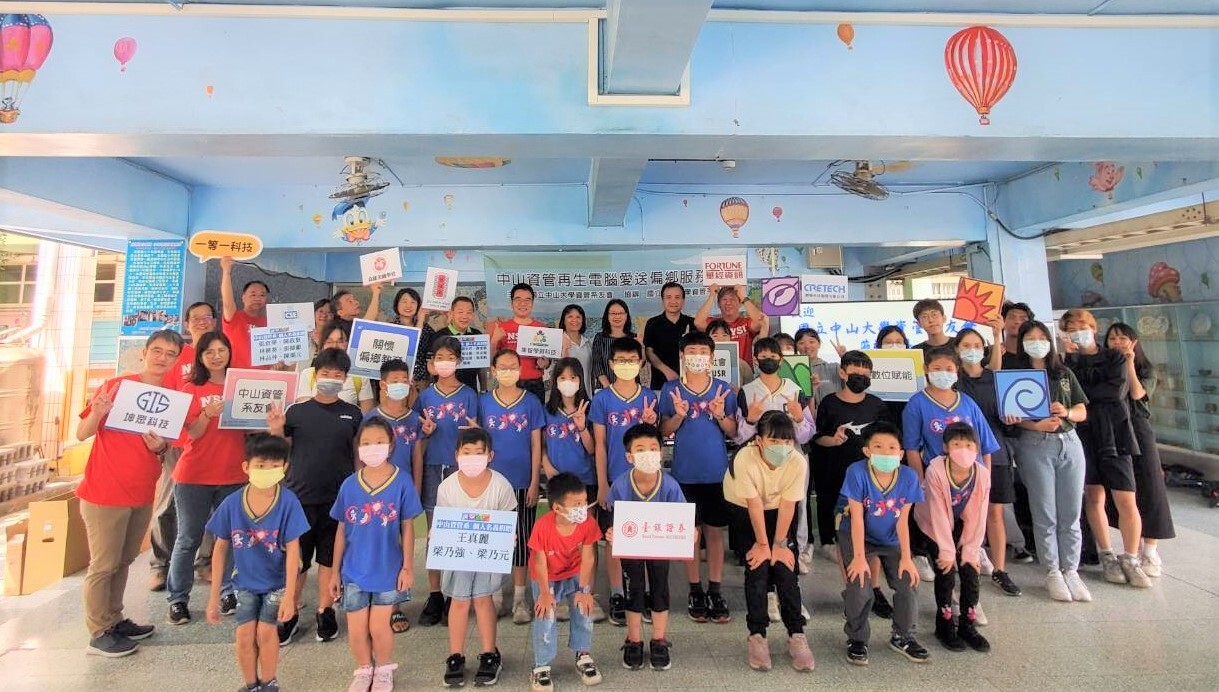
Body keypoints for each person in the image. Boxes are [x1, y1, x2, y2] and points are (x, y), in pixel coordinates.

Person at [76, 329, 184, 657]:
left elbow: (166, 448)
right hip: (104, 491)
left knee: (123, 560)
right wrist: (97, 412)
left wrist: (161, 446)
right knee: (104, 564)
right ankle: (98, 632)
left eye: (170, 354)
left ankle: (115, 618)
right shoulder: (117, 387)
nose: (162, 358)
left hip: (140, 493)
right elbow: (82, 433)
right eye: (157, 351)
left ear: (177, 360)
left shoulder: (171, 398)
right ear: (145, 352)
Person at [266, 347, 363, 644]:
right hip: (299, 498)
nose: (331, 379)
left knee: (329, 559)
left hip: (337, 501)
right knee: (297, 561)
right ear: (314, 376)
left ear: (345, 379)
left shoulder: (352, 413)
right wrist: (275, 429)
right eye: (325, 374)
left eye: (337, 375)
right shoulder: (296, 411)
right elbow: (281, 447)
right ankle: (290, 613)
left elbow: (357, 454)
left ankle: (326, 610)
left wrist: (357, 491)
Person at [204, 433, 308, 692]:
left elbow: (294, 550)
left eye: (274, 466)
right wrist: (214, 595)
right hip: (245, 583)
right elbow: (219, 550)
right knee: (243, 635)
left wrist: (290, 596)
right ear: (246, 467)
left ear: (284, 468)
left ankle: (269, 682)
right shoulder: (231, 504)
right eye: (260, 465)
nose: (267, 471)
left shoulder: (288, 502)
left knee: (265, 632)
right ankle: (251, 685)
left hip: (277, 583)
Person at [329, 418, 423, 692]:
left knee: (379, 627)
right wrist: (334, 571)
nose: (373, 448)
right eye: (366, 443)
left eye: (379, 442)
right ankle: (363, 669)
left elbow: (407, 528)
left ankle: (383, 669)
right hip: (353, 570)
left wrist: (407, 567)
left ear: (392, 444)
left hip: (388, 570)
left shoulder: (402, 482)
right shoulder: (349, 485)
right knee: (357, 629)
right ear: (358, 447)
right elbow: (341, 529)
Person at [1060, 309, 1151, 588]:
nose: (1078, 331)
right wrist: (1071, 362)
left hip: (1116, 432)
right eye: (1072, 328)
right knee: (1094, 496)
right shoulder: (1068, 363)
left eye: (1082, 326)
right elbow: (1067, 394)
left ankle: (1132, 556)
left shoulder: (1115, 357)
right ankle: (1107, 553)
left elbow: (1115, 392)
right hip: (1085, 434)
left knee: (1126, 497)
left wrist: (1083, 397)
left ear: (1093, 327)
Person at [724, 411, 815, 673]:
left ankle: (797, 635)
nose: (782, 447)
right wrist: (764, 546)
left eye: (787, 442)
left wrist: (780, 545)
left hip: (779, 510)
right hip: (742, 506)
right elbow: (753, 505)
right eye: (774, 441)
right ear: (759, 440)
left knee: (786, 568)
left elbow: (788, 506)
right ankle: (757, 636)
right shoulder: (745, 458)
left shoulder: (797, 462)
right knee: (758, 567)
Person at [166, 332, 247, 625]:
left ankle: (228, 592)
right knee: (188, 539)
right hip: (194, 475)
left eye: (221, 349)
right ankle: (177, 599)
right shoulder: (190, 389)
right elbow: (193, 433)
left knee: (229, 538)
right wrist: (206, 415)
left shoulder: (241, 387)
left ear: (229, 352)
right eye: (209, 351)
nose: (216, 355)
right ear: (200, 357)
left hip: (234, 473)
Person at [1008, 321, 1092, 603]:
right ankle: (1053, 571)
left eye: (1041, 337)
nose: (1036, 342)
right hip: (1034, 446)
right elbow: (1012, 417)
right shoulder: (1014, 375)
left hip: (1069, 443)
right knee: (1045, 512)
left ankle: (1072, 570)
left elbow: (1081, 409)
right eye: (1029, 338)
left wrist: (1066, 411)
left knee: (1071, 511)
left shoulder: (1063, 372)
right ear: (1021, 343)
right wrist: (1037, 425)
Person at [659, 331, 739, 625]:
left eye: (702, 352)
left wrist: (720, 414)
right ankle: (695, 589)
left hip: (717, 472)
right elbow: (663, 431)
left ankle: (715, 589)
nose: (696, 357)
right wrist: (678, 415)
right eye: (690, 351)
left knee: (715, 532)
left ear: (712, 357)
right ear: (682, 356)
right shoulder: (670, 390)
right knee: (689, 534)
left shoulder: (724, 390)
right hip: (684, 473)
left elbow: (733, 432)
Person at [811, 350, 895, 618]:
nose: (859, 377)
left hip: (872, 482)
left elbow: (887, 443)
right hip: (836, 479)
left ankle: (875, 587)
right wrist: (833, 441)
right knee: (845, 538)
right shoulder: (829, 404)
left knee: (871, 535)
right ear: (842, 373)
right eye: (854, 372)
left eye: (865, 373)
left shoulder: (878, 405)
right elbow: (817, 437)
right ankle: (853, 587)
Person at [734, 337, 814, 616]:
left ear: (781, 359)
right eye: (762, 354)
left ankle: (790, 591)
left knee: (792, 518)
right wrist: (752, 420)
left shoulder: (794, 389)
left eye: (772, 353)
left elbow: (806, 435)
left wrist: (799, 417)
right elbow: (739, 436)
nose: (767, 358)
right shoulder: (746, 391)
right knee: (761, 521)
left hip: (790, 464)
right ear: (755, 359)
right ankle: (768, 593)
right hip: (757, 466)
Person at [836, 421, 927, 666]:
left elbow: (903, 521)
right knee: (860, 584)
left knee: (907, 582)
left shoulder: (908, 477)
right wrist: (857, 557)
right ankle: (857, 639)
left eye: (891, 447)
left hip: (891, 536)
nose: (885, 452)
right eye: (878, 446)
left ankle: (903, 636)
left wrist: (907, 558)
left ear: (900, 453)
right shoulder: (856, 472)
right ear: (867, 451)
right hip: (857, 536)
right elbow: (856, 518)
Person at [589, 337, 660, 625]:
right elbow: (600, 445)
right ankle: (618, 593)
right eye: (621, 361)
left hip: (646, 484)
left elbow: (655, 443)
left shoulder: (650, 397)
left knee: (643, 539)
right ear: (611, 364)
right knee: (615, 540)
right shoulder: (602, 398)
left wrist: (650, 421)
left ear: (641, 363)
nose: (626, 365)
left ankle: (640, 593)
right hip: (614, 482)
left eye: (632, 360)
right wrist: (603, 483)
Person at [439, 428, 517, 687]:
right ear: (456, 455)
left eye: (479, 452)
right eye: (466, 452)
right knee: (459, 603)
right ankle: (455, 655)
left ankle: (489, 653)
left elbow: (509, 519)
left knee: (484, 601)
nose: (472, 457)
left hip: (486, 556)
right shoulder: (447, 487)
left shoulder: (501, 485)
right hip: (458, 556)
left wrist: (510, 536)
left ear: (490, 455)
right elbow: (443, 523)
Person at [604, 423, 685, 671]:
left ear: (661, 453)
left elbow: (682, 517)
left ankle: (659, 640)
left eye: (653, 448)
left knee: (660, 589)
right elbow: (611, 514)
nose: (648, 454)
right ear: (629, 456)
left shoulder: (670, 485)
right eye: (640, 449)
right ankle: (634, 640)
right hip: (631, 550)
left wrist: (689, 532)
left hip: (659, 550)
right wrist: (610, 531)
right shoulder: (620, 485)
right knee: (634, 590)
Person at [412, 336, 481, 626]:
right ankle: (436, 593)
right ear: (432, 363)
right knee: (434, 532)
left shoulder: (469, 395)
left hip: (461, 469)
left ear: (458, 362)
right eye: (439, 357)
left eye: (449, 357)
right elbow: (415, 438)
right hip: (432, 468)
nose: (444, 362)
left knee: (459, 530)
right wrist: (425, 432)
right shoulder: (425, 397)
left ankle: (457, 591)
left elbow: (476, 436)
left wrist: (476, 430)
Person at [152, 300, 219, 593]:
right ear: (187, 323)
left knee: (208, 507)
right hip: (176, 442)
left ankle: (205, 562)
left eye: (207, 317)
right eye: (196, 318)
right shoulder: (176, 356)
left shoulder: (217, 357)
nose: (202, 322)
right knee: (167, 504)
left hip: (209, 442)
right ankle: (159, 564)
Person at [911, 423, 992, 654]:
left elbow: (979, 514)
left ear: (976, 448)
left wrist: (971, 551)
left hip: (963, 523)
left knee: (970, 570)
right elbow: (937, 513)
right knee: (945, 570)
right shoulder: (935, 470)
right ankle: (944, 622)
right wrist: (947, 552)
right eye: (957, 444)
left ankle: (967, 623)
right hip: (933, 524)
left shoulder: (982, 474)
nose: (963, 449)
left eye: (968, 445)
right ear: (945, 447)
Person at [954, 326, 1023, 597]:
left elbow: (1010, 422)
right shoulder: (954, 381)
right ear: (957, 349)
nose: (972, 349)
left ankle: (999, 569)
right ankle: (968, 561)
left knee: (995, 512)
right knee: (964, 514)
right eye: (966, 345)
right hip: (960, 458)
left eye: (976, 345)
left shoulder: (996, 379)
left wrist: (1012, 421)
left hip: (996, 454)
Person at [481, 349, 546, 625]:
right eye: (502, 367)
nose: (508, 371)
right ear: (493, 371)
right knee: (494, 540)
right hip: (491, 484)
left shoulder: (531, 402)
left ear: (521, 370)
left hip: (522, 482)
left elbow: (536, 444)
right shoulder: (483, 403)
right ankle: (495, 596)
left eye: (513, 366)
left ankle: (520, 598)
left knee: (521, 541)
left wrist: (534, 481)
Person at [1104, 322, 1174, 575]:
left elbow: (1136, 394)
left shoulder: (1146, 368)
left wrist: (1129, 363)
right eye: (1112, 339)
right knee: (1124, 489)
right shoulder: (1104, 368)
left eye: (1123, 338)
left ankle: (1151, 549)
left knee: (1150, 485)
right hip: (1113, 427)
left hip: (1138, 428)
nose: (1117, 342)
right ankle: (1129, 547)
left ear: (1133, 341)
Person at [364, 358, 427, 634]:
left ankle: (396, 605)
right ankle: (373, 596)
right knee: (377, 546)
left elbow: (417, 457)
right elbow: (360, 457)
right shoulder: (370, 419)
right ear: (383, 384)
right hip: (374, 493)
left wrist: (415, 490)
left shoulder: (414, 419)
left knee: (403, 547)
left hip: (402, 493)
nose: (400, 385)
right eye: (395, 380)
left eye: (405, 380)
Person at [527, 472, 604, 691]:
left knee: (583, 609)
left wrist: (585, 589)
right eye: (577, 504)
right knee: (545, 616)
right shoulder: (543, 527)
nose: (583, 508)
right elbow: (539, 563)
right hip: (547, 578)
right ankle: (541, 665)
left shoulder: (587, 522)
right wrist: (544, 593)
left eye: (585, 502)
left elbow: (589, 557)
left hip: (575, 573)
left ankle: (583, 654)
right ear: (557, 508)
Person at [490, 283, 550, 402]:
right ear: (511, 303)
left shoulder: (542, 329)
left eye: (527, 300)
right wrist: (494, 341)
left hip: (535, 384)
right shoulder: (501, 328)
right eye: (518, 299)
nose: (523, 303)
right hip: (508, 384)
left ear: (532, 303)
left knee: (536, 419)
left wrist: (545, 363)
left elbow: (547, 361)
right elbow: (491, 360)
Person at [297, 321, 375, 413]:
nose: (334, 346)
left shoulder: (360, 376)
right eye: (329, 341)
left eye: (340, 341)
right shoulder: (308, 374)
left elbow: (366, 414)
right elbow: (304, 411)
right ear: (322, 345)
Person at [415, 296, 485, 393]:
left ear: (473, 315)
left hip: (470, 391)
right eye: (460, 312)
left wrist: (483, 389)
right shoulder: (438, 336)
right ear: (451, 314)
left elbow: (481, 366)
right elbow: (430, 365)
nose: (464, 316)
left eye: (469, 312)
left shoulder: (477, 335)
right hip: (442, 392)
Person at [694, 285, 767, 366]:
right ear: (718, 304)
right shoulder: (713, 324)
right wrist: (712, 296)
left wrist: (743, 297)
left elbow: (761, 321)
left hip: (744, 373)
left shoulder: (747, 323)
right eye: (724, 299)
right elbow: (698, 322)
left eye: (732, 299)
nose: (728, 303)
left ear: (740, 303)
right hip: (718, 371)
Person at [643, 282, 695, 390]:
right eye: (668, 297)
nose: (673, 301)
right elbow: (649, 352)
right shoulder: (653, 323)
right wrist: (667, 371)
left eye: (677, 297)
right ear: (662, 300)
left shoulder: (692, 323)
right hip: (661, 383)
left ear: (683, 301)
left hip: (690, 383)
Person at [220, 257, 269, 370]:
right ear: (243, 297)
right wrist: (226, 272)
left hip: (265, 378)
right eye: (253, 294)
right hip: (237, 376)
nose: (258, 298)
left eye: (262, 295)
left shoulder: (270, 322)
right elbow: (227, 303)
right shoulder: (234, 317)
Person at [590, 299, 641, 392]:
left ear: (626, 316)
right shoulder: (600, 338)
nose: (617, 316)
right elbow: (597, 365)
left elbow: (640, 364)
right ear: (607, 316)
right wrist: (610, 389)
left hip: (631, 390)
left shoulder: (634, 338)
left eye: (621, 313)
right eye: (613, 313)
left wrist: (641, 346)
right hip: (605, 390)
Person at [793, 327, 841, 406]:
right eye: (801, 343)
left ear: (819, 344)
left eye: (811, 342)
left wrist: (845, 357)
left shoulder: (834, 368)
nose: (807, 346)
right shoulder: (792, 373)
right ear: (796, 347)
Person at [558, 304, 594, 394]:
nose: (574, 320)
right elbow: (558, 369)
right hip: (565, 396)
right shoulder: (557, 341)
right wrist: (565, 349)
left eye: (578, 317)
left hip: (586, 395)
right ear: (564, 320)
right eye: (570, 316)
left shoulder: (588, 343)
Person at [706, 318, 754, 386]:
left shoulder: (742, 365)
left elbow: (750, 388)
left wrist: (740, 393)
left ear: (730, 338)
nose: (720, 339)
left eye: (725, 335)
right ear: (707, 339)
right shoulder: (700, 363)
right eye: (715, 336)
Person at [999, 301, 1034, 368]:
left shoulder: (1035, 355)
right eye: (1012, 317)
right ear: (1003, 321)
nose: (1017, 321)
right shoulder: (990, 352)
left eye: (1023, 319)